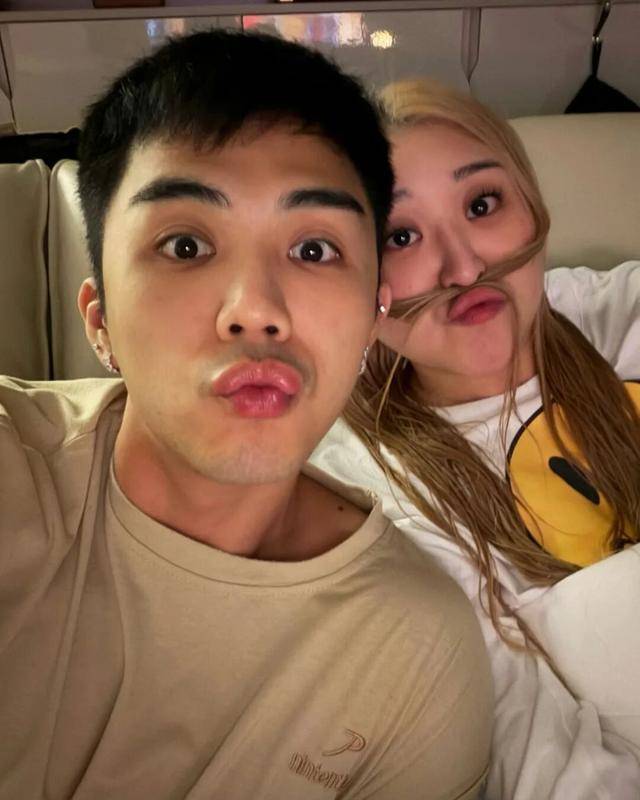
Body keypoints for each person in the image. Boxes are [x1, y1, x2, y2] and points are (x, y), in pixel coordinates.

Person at [0, 34, 493, 800]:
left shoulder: (414, 657)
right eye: (186, 245)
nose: (256, 310)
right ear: (99, 321)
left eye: (315, 250)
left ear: (374, 316)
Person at [311, 78, 640, 798]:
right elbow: (542, 765)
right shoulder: (372, 499)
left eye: (482, 204)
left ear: (533, 209)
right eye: (401, 236)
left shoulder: (611, 316)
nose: (464, 269)